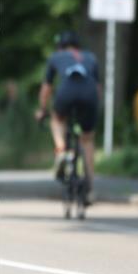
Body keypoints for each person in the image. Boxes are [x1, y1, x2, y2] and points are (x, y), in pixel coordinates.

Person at [35, 30, 101, 191]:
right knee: (87, 139)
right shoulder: (91, 57)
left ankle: (61, 150)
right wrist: (94, 108)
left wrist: (42, 110)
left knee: (57, 119)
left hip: (67, 92)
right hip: (89, 94)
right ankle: (90, 186)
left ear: (60, 47)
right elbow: (98, 88)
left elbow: (46, 89)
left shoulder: (55, 57)